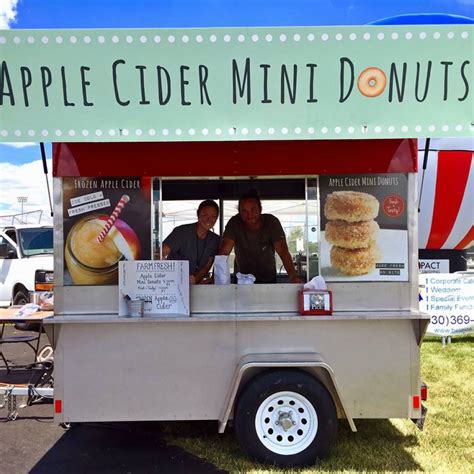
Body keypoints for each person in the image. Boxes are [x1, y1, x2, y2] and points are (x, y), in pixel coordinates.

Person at [219, 191, 303, 283]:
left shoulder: (271, 222)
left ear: (260, 209)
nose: (249, 215)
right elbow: (223, 253)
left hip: (268, 281)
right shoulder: (234, 223)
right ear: (239, 212)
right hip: (242, 282)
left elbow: (283, 251)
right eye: (244, 211)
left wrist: (293, 277)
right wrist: (217, 277)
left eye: (253, 210)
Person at [161, 200, 220, 284]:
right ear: (198, 214)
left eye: (213, 216)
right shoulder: (181, 231)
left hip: (195, 285)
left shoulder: (215, 240)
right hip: (171, 282)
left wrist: (193, 281)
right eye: (204, 215)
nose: (208, 219)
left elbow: (207, 266)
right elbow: (162, 252)